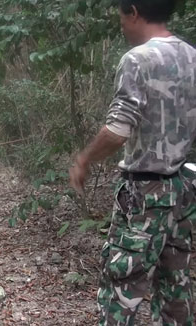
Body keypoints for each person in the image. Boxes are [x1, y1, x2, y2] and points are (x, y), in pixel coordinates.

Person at [69, 1, 196, 324]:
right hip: (182, 193)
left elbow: (118, 129)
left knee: (121, 290)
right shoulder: (191, 56)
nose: (122, 25)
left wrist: (84, 159)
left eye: (122, 17)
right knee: (175, 289)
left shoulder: (137, 59)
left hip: (144, 194)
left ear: (134, 12)